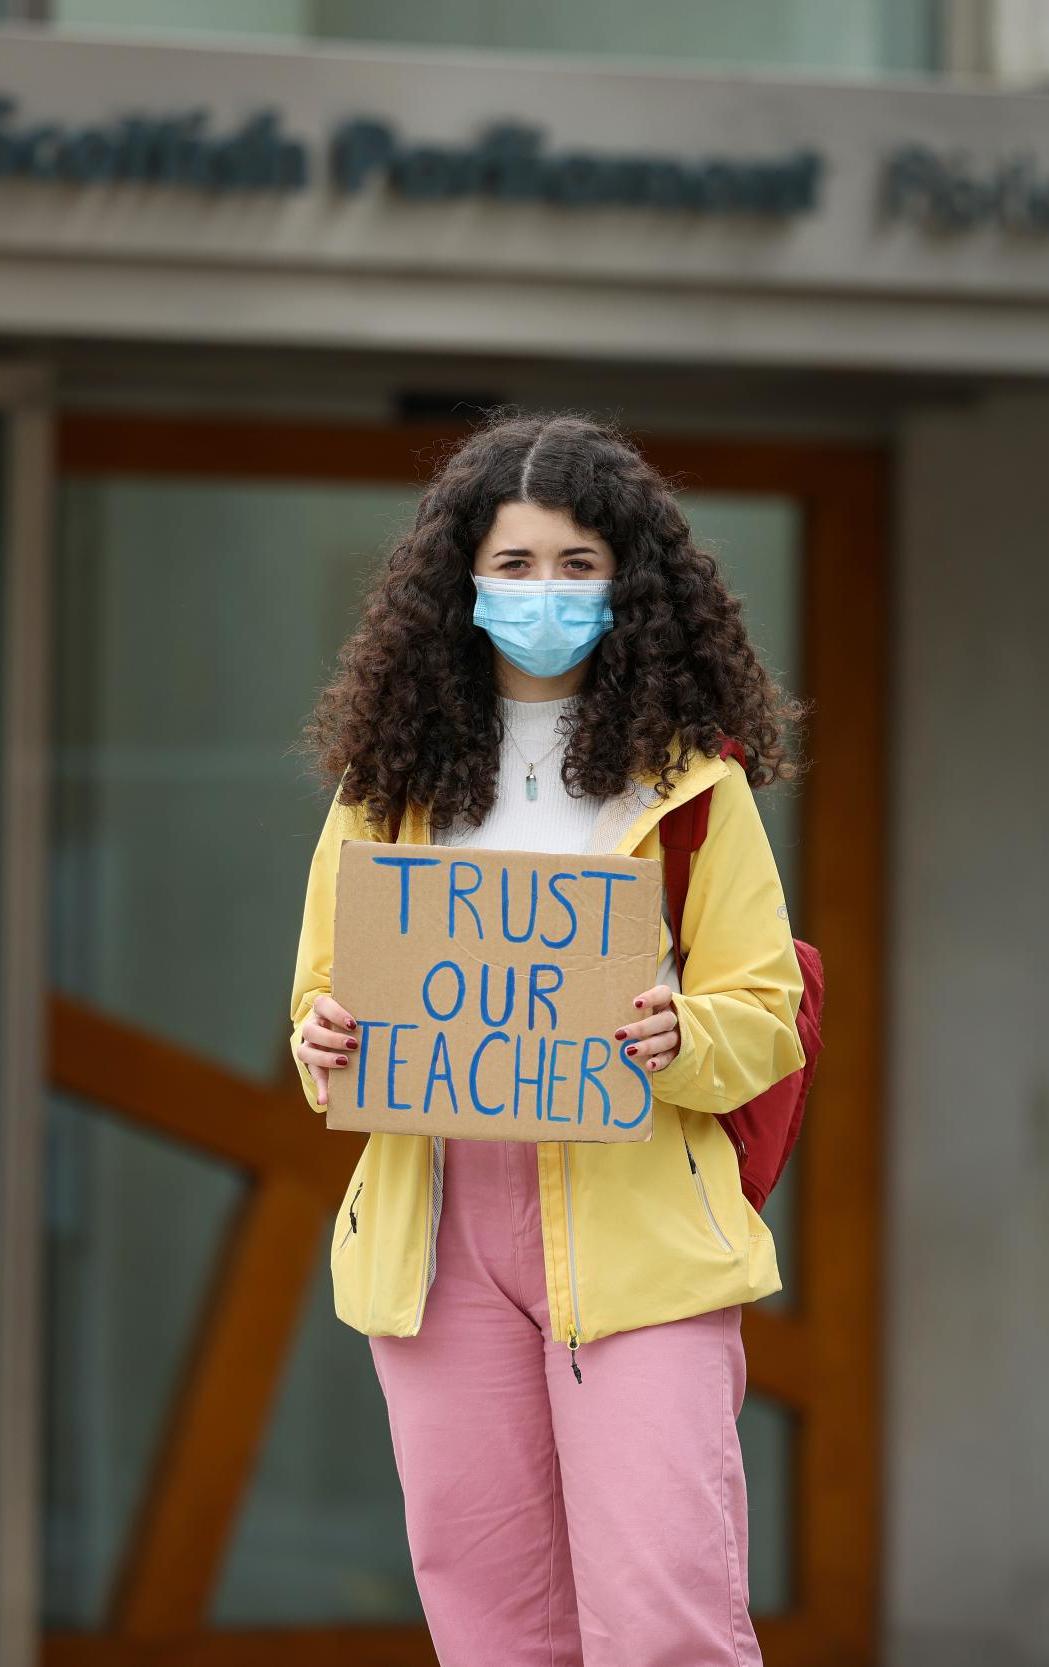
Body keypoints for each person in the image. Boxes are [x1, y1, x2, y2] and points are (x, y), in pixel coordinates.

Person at [289, 413, 804, 1667]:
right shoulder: (386, 785)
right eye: (514, 565)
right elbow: (318, 1002)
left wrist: (676, 1031)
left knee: (665, 1613)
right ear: (458, 581)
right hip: (440, 1227)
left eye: (577, 565)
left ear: (630, 582)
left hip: (637, 1230)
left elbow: (765, 1014)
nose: (544, 593)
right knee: (489, 1622)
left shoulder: (693, 782)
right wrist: (325, 1041)